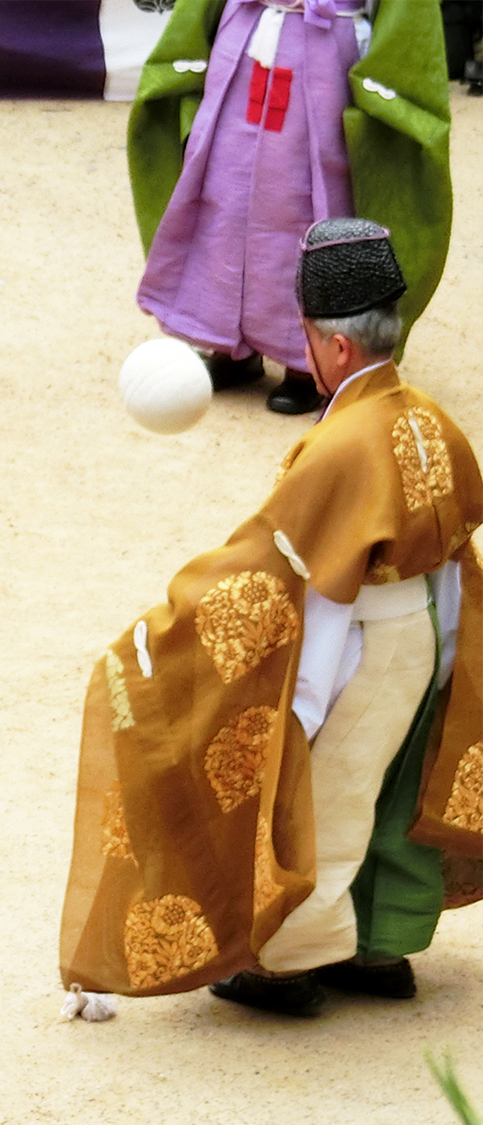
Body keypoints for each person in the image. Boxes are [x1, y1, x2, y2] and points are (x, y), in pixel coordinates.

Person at [61, 220, 483, 1016]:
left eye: (311, 339)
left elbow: (293, 576)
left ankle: (288, 963)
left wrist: (286, 693)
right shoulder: (431, 418)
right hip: (428, 631)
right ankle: (380, 944)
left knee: (329, 794)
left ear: (338, 349)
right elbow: (460, 554)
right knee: (394, 785)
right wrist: (453, 655)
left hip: (363, 643)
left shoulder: (343, 446)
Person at [128, 0, 450, 415]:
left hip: (324, 44)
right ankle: (229, 345)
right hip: (246, 34)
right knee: (224, 189)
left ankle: (305, 364)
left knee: (303, 199)